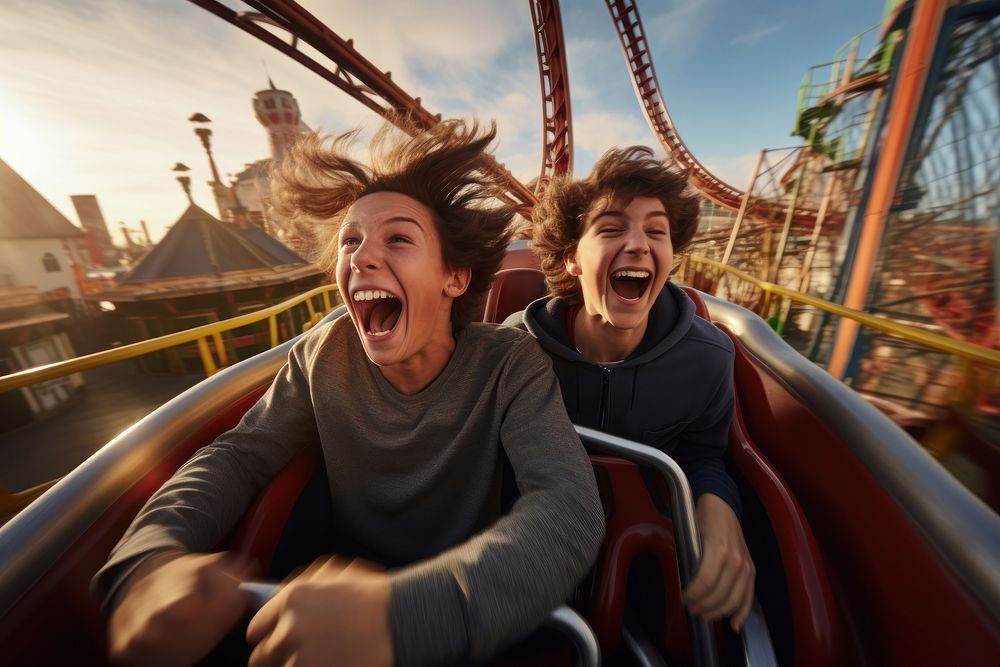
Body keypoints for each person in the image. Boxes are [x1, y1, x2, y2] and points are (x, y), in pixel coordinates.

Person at [94, 119, 605, 667]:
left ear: (454, 277)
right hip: (333, 610)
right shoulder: (322, 353)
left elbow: (568, 508)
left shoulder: (509, 362)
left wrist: (402, 617)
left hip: (459, 610)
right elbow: (240, 454)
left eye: (399, 239)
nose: (361, 257)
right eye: (350, 242)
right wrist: (146, 559)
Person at [506, 145, 755, 632]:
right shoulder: (515, 351)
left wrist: (720, 504)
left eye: (655, 231)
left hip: (647, 545)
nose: (639, 244)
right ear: (571, 259)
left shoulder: (707, 358)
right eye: (613, 228)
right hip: (534, 544)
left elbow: (705, 455)